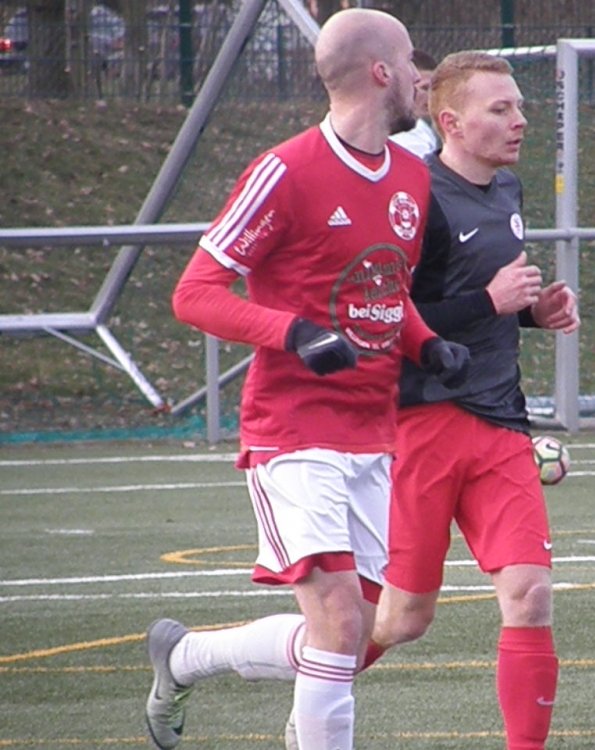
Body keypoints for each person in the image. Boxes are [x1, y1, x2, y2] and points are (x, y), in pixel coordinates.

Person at [142, 9, 468, 750]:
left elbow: (384, 289)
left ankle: (186, 657)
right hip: (293, 434)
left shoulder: (412, 177)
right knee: (339, 621)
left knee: (359, 632)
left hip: (374, 436)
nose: (421, 78)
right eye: (410, 63)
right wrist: (292, 333)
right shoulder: (285, 171)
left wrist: (426, 346)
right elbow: (195, 293)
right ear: (381, 72)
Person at [364, 49, 580, 750]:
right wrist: (489, 300)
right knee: (402, 620)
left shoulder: (506, 189)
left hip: (501, 425)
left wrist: (532, 314)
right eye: (501, 108)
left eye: (520, 106)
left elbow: (485, 305)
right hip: (421, 425)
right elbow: (385, 318)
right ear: (452, 123)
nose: (521, 120)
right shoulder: (413, 198)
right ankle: (316, 684)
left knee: (531, 595)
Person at [388, 49, 439, 159]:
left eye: (436, 89)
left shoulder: (430, 133)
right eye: (425, 88)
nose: (432, 96)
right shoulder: (406, 142)